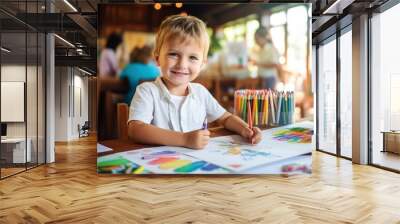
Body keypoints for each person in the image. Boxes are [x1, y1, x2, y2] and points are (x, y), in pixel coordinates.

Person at [127, 14, 262, 149]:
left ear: (202, 64)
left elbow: (225, 118)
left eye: (192, 57)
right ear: (157, 58)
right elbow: (136, 129)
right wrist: (184, 139)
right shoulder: (147, 91)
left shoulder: (200, 92)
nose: (182, 64)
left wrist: (245, 129)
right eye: (173, 54)